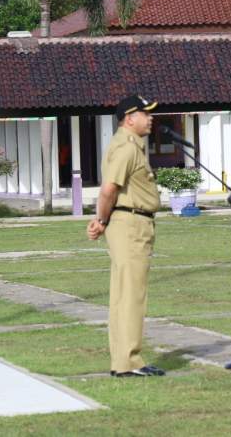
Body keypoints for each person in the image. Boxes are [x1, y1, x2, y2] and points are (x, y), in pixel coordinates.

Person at [87, 95, 165, 378]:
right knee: (131, 295)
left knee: (124, 295)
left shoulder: (129, 145)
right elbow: (109, 189)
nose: (151, 118)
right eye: (146, 113)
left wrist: (103, 220)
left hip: (130, 222)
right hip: (130, 224)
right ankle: (129, 362)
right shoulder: (127, 148)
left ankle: (123, 360)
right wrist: (101, 220)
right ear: (130, 118)